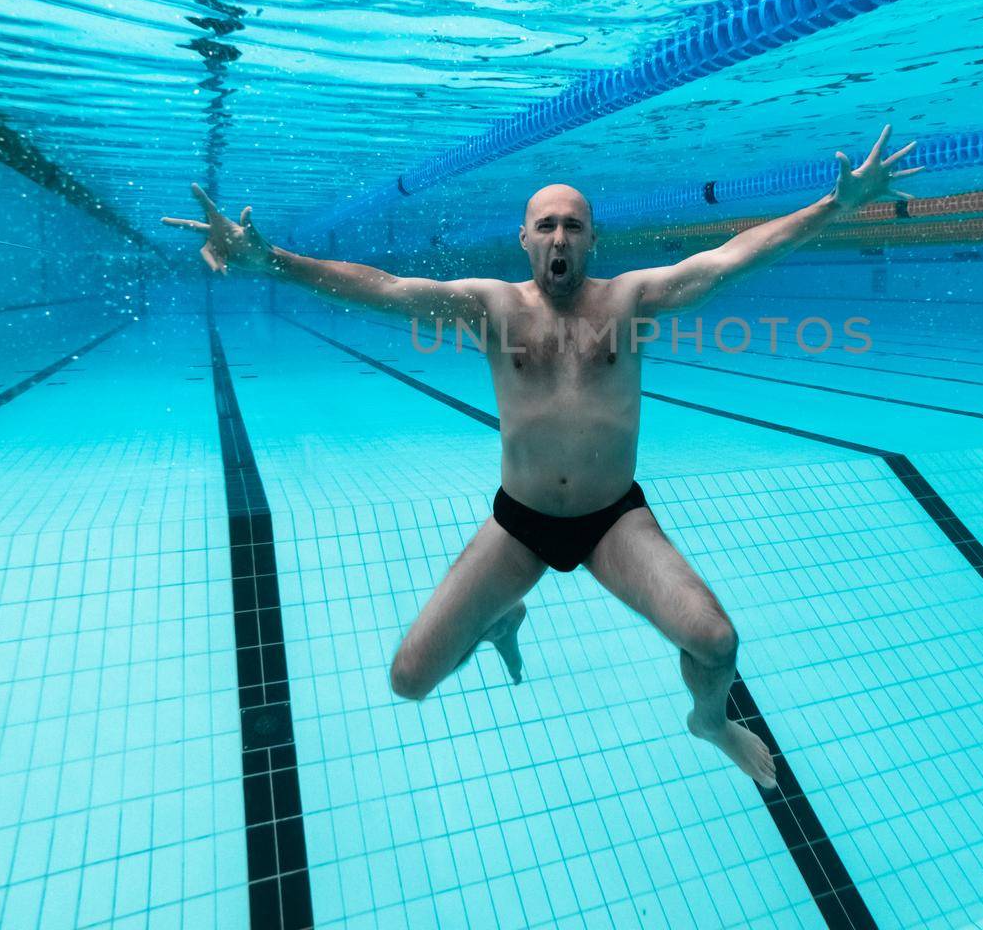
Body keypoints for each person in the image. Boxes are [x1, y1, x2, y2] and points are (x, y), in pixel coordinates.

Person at [163, 125, 918, 788]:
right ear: (525, 239)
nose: (561, 239)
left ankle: (708, 723)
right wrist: (274, 261)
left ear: (593, 241)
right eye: (546, 226)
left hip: (612, 522)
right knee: (410, 679)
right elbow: (388, 288)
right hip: (521, 521)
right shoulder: (491, 306)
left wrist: (836, 206)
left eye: (575, 227)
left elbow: (726, 261)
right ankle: (501, 617)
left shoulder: (630, 300)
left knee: (717, 642)